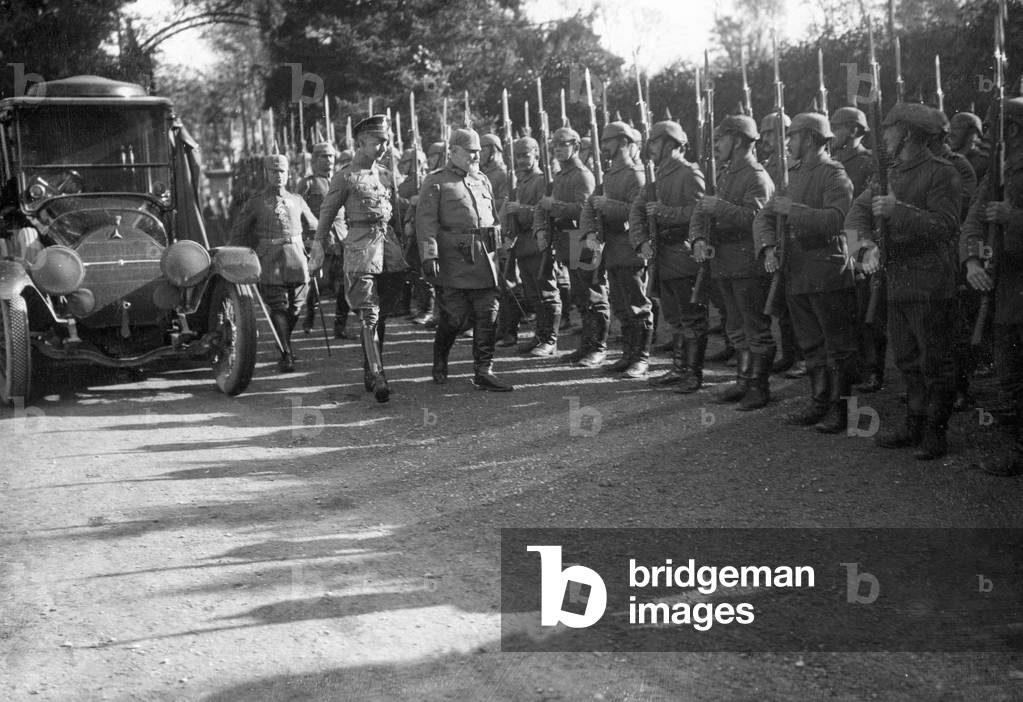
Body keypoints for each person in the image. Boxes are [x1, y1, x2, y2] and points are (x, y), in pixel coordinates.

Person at [845, 102, 962, 460]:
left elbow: (946, 225)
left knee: (935, 362)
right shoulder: (888, 173)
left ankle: (935, 433)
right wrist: (864, 247)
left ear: (908, 133)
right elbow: (856, 211)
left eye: (890, 130)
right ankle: (915, 424)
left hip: (930, 283)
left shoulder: (942, 172)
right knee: (907, 360)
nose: (885, 137)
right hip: (896, 281)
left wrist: (899, 212)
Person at [755, 112, 855, 432]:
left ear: (810, 139)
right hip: (796, 270)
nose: (789, 142)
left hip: (827, 268)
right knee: (811, 343)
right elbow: (764, 217)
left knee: (837, 346)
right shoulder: (792, 175)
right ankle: (819, 401)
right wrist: (769, 246)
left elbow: (838, 220)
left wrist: (793, 211)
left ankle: (842, 410)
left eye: (794, 136)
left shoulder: (834, 174)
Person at [310, 115, 408, 403]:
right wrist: (317, 252)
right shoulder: (345, 177)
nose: (384, 146)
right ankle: (378, 375)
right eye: (378, 141)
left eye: (386, 141)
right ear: (360, 143)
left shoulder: (387, 175)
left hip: (389, 252)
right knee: (370, 314)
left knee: (383, 315)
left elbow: (397, 219)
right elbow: (326, 215)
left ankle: (370, 368)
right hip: (361, 250)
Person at [417, 128, 514, 391]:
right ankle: (440, 357)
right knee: (455, 318)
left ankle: (484, 370)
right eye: (470, 151)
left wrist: (501, 245)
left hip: (485, 258)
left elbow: (492, 217)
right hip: (454, 258)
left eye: (478, 151)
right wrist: (429, 254)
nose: (476, 156)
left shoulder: (483, 179)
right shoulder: (436, 181)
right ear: (454, 152)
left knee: (487, 313)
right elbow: (426, 222)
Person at [691, 115, 774, 407]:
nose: (716, 146)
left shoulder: (756, 176)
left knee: (755, 327)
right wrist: (699, 238)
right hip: (724, 261)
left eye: (721, 139)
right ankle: (743, 381)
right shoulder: (725, 174)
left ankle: (759, 387)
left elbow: (758, 219)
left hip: (746, 261)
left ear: (738, 141)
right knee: (735, 327)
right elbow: (703, 212)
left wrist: (720, 207)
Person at [962, 96, 1023, 476]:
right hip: (1006, 292)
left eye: (994, 127)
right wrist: (971, 262)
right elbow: (971, 222)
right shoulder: (997, 175)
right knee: (1011, 376)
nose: (985, 136)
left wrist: (1014, 218)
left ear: (1012, 130)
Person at [630, 120, 706, 391]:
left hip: (684, 254)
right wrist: (640, 242)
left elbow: (700, 213)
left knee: (691, 317)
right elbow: (637, 210)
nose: (650, 147)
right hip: (662, 255)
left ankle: (693, 374)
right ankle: (678, 367)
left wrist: (664, 212)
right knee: (674, 316)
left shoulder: (689, 173)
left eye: (655, 142)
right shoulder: (657, 176)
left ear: (671, 143)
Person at [228, 154, 316, 373]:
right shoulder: (256, 203)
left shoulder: (297, 200)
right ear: (266, 173)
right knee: (278, 306)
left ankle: (284, 344)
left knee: (296, 307)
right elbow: (239, 232)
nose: (279, 175)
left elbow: (315, 225)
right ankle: (286, 354)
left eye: (282, 171)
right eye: (274, 171)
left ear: (288, 173)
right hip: (270, 260)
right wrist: (239, 258)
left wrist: (317, 247)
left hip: (297, 259)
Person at [582, 121, 647, 377]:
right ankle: (628, 354)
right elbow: (590, 205)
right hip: (613, 250)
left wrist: (607, 205)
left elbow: (636, 212)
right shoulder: (608, 174)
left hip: (631, 247)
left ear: (622, 142)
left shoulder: (635, 175)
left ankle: (641, 357)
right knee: (620, 305)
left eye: (608, 141)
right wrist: (589, 232)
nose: (604, 147)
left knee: (637, 305)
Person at [830, 107, 884, 394]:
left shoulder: (867, 161)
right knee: (846, 308)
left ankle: (873, 369)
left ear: (853, 131)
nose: (832, 132)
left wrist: (864, 248)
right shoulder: (834, 161)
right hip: (837, 239)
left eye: (837, 127)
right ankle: (852, 366)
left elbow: (870, 209)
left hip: (857, 237)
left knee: (867, 307)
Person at [533, 127, 598, 363]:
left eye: (564, 144)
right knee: (581, 295)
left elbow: (586, 211)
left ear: (576, 146)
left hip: (583, 239)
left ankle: (597, 348)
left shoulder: (582, 175)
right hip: (566, 239)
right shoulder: (560, 176)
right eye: (555, 145)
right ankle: (587, 346)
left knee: (592, 295)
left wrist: (555, 206)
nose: (558, 148)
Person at [759, 110, 804, 378]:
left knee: (796, 305)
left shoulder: (792, 163)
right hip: (774, 238)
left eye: (770, 133)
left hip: (794, 238)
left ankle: (802, 357)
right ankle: (789, 354)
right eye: (763, 133)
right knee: (782, 304)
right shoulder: (769, 165)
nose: (765, 138)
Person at [298, 141, 353, 339]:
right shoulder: (308, 183)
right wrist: (306, 239)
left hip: (341, 239)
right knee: (317, 284)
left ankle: (340, 326)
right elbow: (298, 210)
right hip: (319, 240)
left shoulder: (341, 179)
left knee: (345, 284)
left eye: (331, 156)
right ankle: (309, 317)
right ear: (314, 160)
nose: (329, 160)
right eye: (324, 156)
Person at [501, 137, 550, 349]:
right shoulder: (521, 182)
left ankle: (548, 340)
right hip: (523, 246)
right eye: (518, 156)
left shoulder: (541, 180)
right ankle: (539, 336)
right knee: (533, 295)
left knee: (545, 293)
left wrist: (519, 209)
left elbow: (544, 213)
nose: (521, 160)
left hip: (538, 244)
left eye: (526, 156)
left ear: (537, 155)